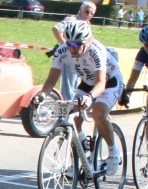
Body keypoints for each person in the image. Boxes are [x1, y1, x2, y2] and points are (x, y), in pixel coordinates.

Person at [35, 21, 124, 175]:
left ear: (87, 42)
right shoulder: (62, 51)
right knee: (71, 115)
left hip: (109, 81)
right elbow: (51, 81)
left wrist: (90, 97)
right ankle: (79, 151)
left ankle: (113, 154)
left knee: (98, 113)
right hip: (88, 82)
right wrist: (41, 96)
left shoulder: (96, 51)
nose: (72, 48)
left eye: (77, 45)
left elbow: (101, 83)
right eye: (70, 44)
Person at [50, 1, 97, 100]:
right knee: (68, 85)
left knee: (76, 84)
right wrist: (65, 46)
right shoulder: (72, 19)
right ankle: (66, 109)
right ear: (80, 9)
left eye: (92, 13)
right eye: (87, 12)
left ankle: (73, 108)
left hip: (81, 58)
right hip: (70, 57)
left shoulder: (86, 22)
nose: (89, 15)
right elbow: (56, 29)